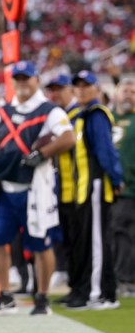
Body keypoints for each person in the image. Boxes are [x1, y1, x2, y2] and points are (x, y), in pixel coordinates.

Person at [0, 60, 75, 316]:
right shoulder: (2, 112)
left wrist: (43, 153)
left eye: (27, 78)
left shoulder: (50, 110)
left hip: (35, 188)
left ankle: (42, 298)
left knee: (40, 243)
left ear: (36, 80)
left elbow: (68, 137)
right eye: (18, 78)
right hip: (5, 187)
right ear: (12, 81)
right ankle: (5, 295)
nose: (22, 83)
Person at [64, 70, 123, 310]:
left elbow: (105, 151)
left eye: (86, 86)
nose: (81, 90)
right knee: (91, 240)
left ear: (96, 89)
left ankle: (99, 293)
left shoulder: (96, 115)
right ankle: (97, 290)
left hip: (96, 185)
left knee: (97, 241)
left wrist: (115, 179)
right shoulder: (81, 115)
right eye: (77, 86)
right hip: (85, 187)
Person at [43, 74, 81, 297]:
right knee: (63, 235)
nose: (55, 94)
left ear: (70, 90)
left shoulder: (79, 116)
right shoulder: (53, 116)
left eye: (60, 89)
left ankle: (79, 285)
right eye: (52, 90)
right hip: (57, 185)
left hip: (76, 185)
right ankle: (69, 277)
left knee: (77, 237)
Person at [111, 78, 135, 297]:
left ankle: (125, 279)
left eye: (133, 92)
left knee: (123, 231)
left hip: (129, 188)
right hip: (108, 187)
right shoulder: (107, 118)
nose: (128, 95)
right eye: (125, 91)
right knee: (116, 232)